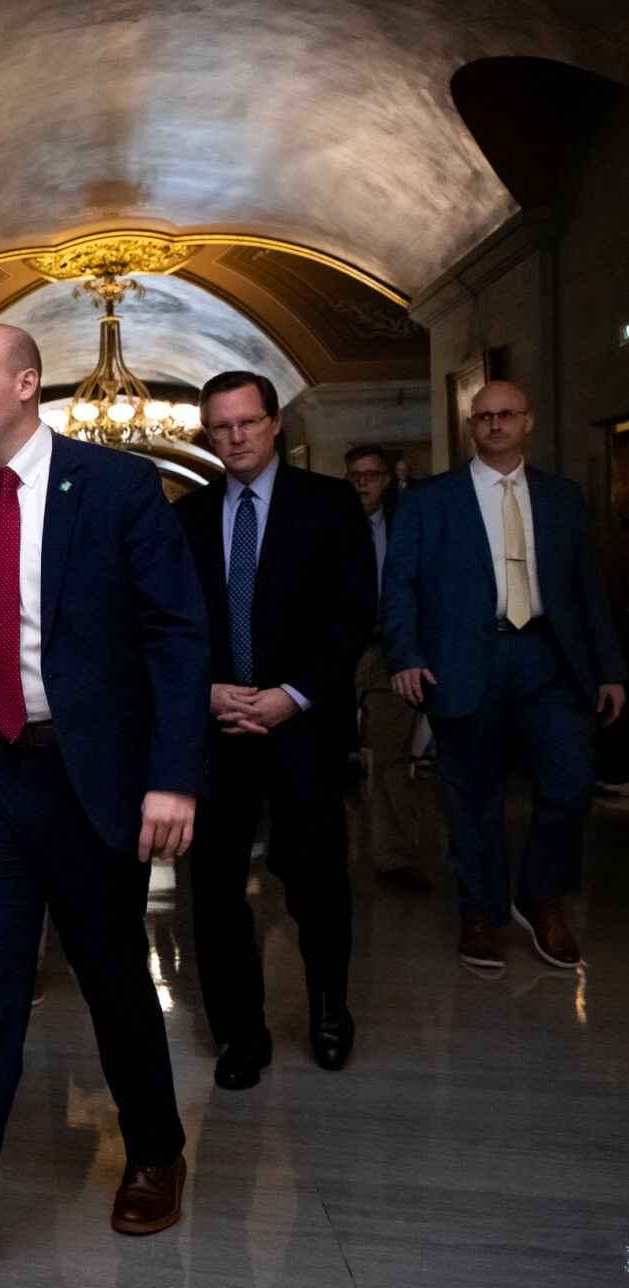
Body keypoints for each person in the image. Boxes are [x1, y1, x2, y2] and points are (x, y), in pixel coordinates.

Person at [0, 324, 209, 1288]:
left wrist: (173, 776)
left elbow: (177, 636)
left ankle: (153, 1151)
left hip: (89, 778)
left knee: (112, 982)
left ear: (27, 383)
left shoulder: (116, 490)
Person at [174, 373, 374, 1090]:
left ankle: (329, 1008)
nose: (235, 438)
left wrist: (293, 695)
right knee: (217, 885)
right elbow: (171, 625)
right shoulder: (189, 516)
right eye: (220, 427)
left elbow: (354, 615)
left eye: (248, 423)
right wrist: (206, 692)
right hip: (219, 730)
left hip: (303, 727)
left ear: (276, 421)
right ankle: (240, 1033)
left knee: (316, 876)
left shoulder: (328, 506)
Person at [383, 380, 625, 969]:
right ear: (471, 426)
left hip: (549, 657)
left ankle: (541, 897)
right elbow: (399, 585)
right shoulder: (430, 500)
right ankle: (481, 914)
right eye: (483, 416)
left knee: (570, 785)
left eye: (506, 415)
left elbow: (588, 588)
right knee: (472, 796)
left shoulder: (562, 497)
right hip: (464, 659)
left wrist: (610, 667)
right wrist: (406, 654)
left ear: (528, 421)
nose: (494, 425)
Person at [345, 443, 430, 892]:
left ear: (388, 481)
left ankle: (394, 857)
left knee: (393, 758)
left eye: (372, 475)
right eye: (355, 475)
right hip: (336, 651)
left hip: (388, 651)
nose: (363, 483)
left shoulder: (406, 526)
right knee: (321, 755)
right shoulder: (329, 525)